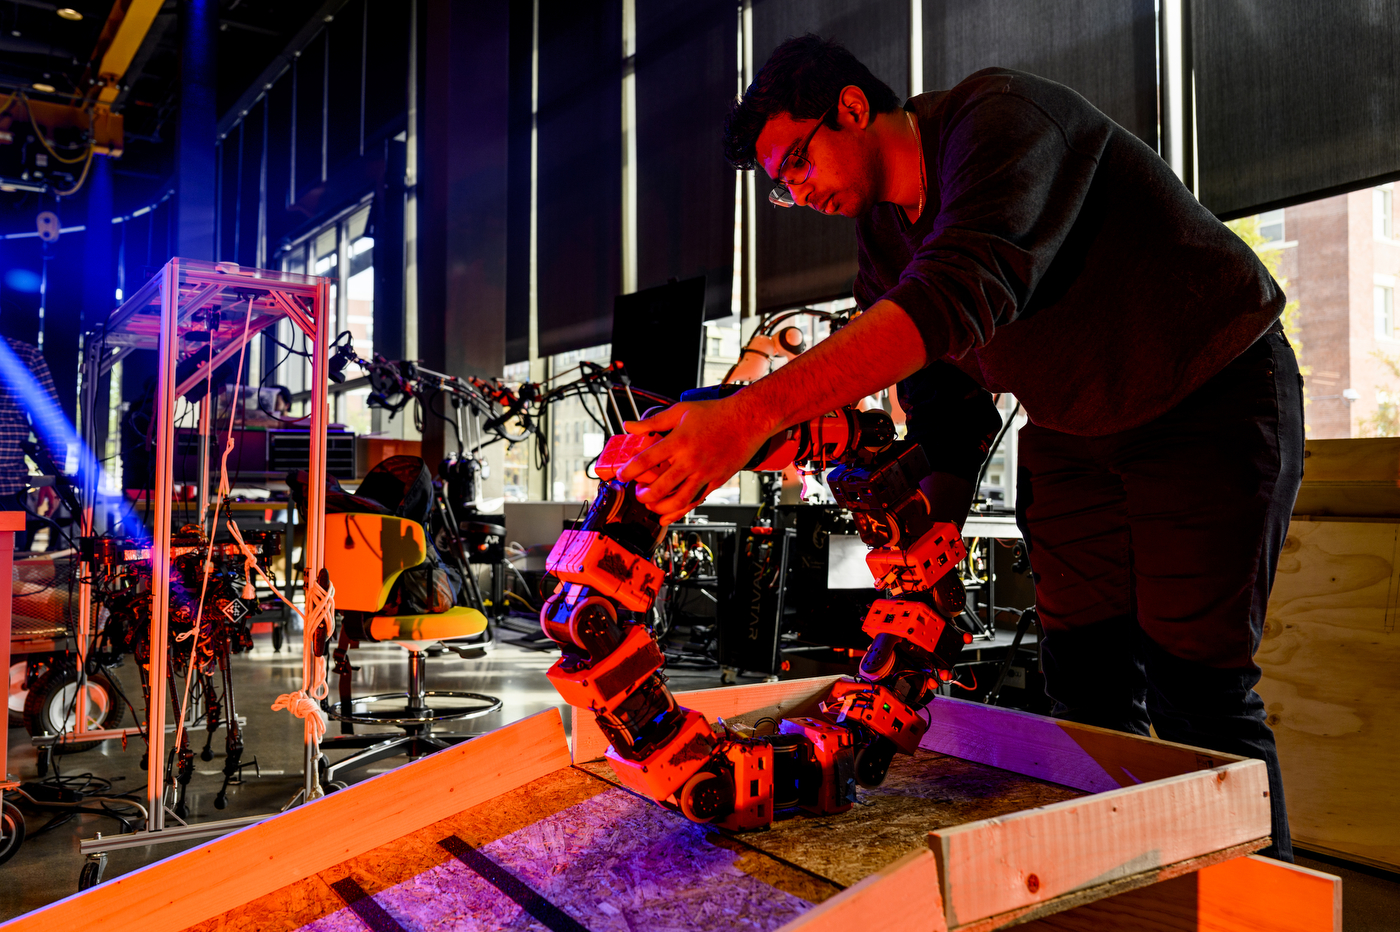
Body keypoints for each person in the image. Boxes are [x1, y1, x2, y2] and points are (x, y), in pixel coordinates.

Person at [615, 35, 1301, 861]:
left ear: (853, 109)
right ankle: (1125, 899)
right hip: (1075, 429)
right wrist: (923, 500)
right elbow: (944, 389)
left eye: (796, 162)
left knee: (1199, 695)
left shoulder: (999, 119)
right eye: (782, 186)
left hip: (1206, 390)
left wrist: (750, 417)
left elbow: (958, 295)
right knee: (1082, 687)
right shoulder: (882, 234)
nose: (796, 189)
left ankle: (1263, 902)